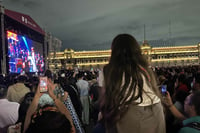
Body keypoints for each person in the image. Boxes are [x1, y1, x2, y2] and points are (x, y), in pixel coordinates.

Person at [96, 34, 166, 133]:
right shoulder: (145, 69)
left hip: (128, 112)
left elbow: (105, 100)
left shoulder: (108, 70)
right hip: (155, 109)